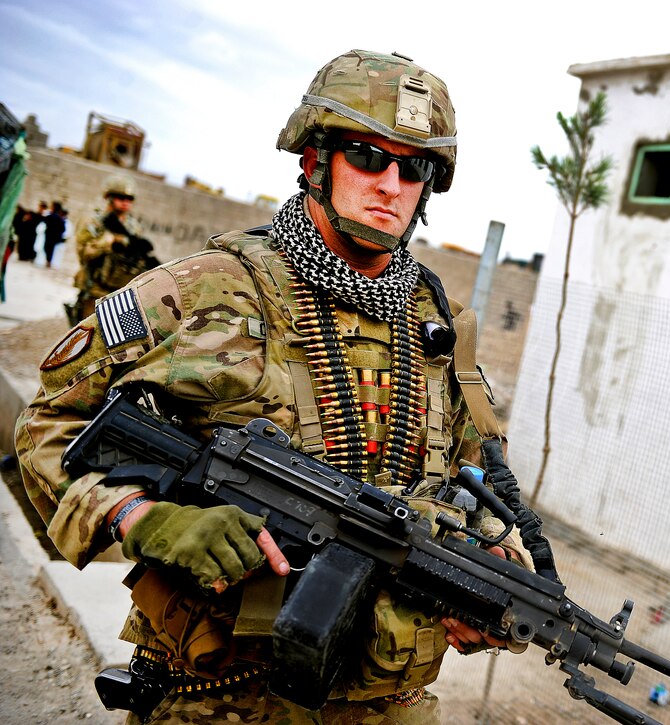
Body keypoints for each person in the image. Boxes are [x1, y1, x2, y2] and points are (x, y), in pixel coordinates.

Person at [16, 49, 538, 724]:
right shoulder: (204, 291)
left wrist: (492, 578)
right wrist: (142, 518)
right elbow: (47, 425)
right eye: (367, 156)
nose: (391, 184)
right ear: (313, 160)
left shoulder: (439, 333)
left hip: (388, 706)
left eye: (415, 168)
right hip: (218, 697)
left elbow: (479, 490)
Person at [70, 175, 158, 321]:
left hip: (121, 292)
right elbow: (83, 254)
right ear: (108, 197)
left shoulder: (133, 227)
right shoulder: (93, 222)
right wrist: (109, 242)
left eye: (129, 199)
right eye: (120, 197)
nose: (125, 202)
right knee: (89, 337)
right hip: (95, 290)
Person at [42, 200, 67, 268]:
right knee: (47, 248)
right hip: (50, 235)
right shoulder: (53, 216)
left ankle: (49, 262)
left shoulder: (57, 217)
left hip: (52, 236)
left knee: (49, 248)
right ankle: (48, 261)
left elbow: (62, 228)